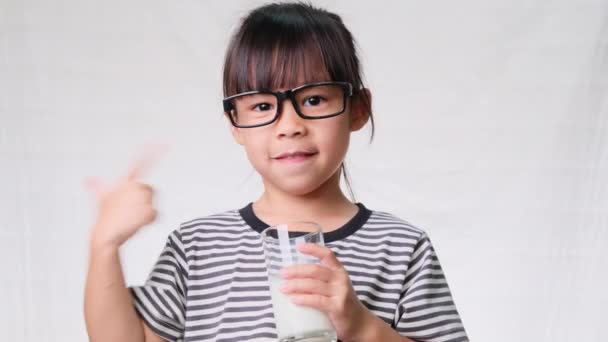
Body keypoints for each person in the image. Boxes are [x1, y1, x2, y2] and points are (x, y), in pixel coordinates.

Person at [84, 2, 468, 342]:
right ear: (234, 122)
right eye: (262, 106)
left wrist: (362, 326)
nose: (289, 125)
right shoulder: (197, 246)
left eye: (314, 99)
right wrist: (104, 245)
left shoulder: (400, 246)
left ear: (358, 108)